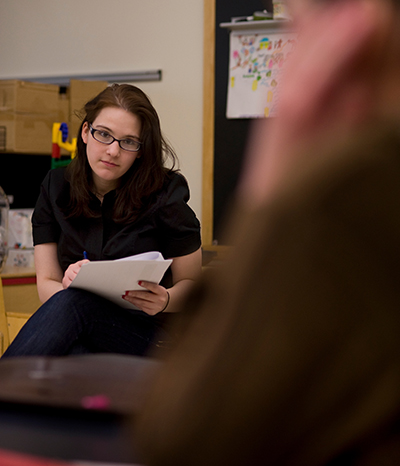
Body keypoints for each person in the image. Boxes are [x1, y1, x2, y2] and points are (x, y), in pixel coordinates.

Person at [134, 0, 400, 464]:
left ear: (355, 28)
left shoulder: (352, 202)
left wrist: (270, 188)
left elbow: (185, 438)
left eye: (300, 25)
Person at [1, 84, 202, 358]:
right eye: (104, 135)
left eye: (129, 141)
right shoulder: (55, 187)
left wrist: (165, 299)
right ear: (86, 132)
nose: (112, 151)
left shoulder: (166, 194)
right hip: (81, 325)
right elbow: (47, 281)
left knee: (73, 307)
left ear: (141, 149)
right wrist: (68, 286)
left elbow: (192, 285)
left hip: (149, 335)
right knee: (75, 346)